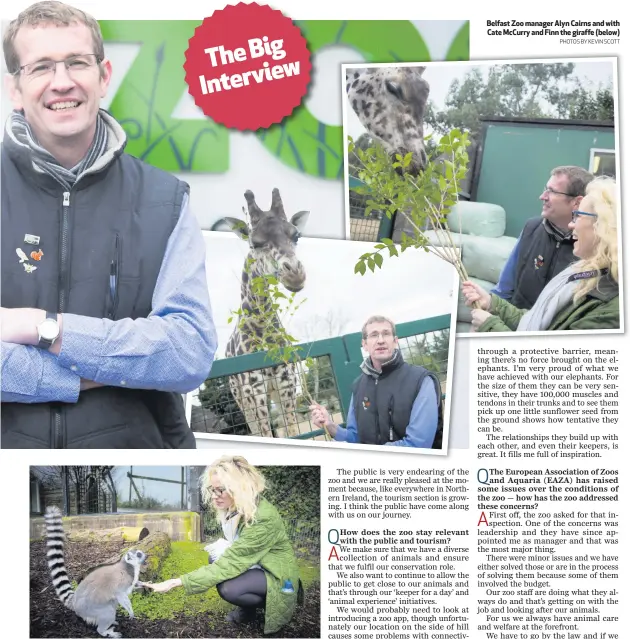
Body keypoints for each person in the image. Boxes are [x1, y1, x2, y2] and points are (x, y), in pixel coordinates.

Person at [1, 1, 217, 448]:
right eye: (40, 67)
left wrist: (42, 327)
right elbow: (158, 356)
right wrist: (84, 377)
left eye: (77, 62)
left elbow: (188, 350)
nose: (62, 82)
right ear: (15, 89)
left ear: (103, 75)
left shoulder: (165, 199)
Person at [145, 456, 302, 635]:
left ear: (239, 489)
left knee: (229, 589)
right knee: (214, 556)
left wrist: (174, 582)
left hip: (278, 575)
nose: (214, 496)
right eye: (212, 489)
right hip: (258, 563)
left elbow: (231, 562)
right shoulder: (235, 508)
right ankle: (248, 608)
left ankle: (270, 603)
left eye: (220, 490)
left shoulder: (262, 518)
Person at [462, 176, 619, 332]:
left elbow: (549, 355)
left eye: (578, 215)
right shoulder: (582, 273)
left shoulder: (611, 307)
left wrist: (490, 326)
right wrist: (492, 303)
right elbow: (539, 323)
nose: (542, 197)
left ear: (603, 226)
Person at [309, 315, 442, 448]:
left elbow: (418, 444)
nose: (380, 340)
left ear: (395, 341)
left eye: (386, 334)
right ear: (365, 345)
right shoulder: (358, 386)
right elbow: (355, 437)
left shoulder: (421, 380)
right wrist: (330, 425)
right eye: (373, 335)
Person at [490, 165, 594, 310]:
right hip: (512, 325)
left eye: (551, 191)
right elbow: (504, 289)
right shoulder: (531, 228)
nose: (542, 197)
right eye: (545, 189)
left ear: (577, 202)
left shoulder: (591, 246)